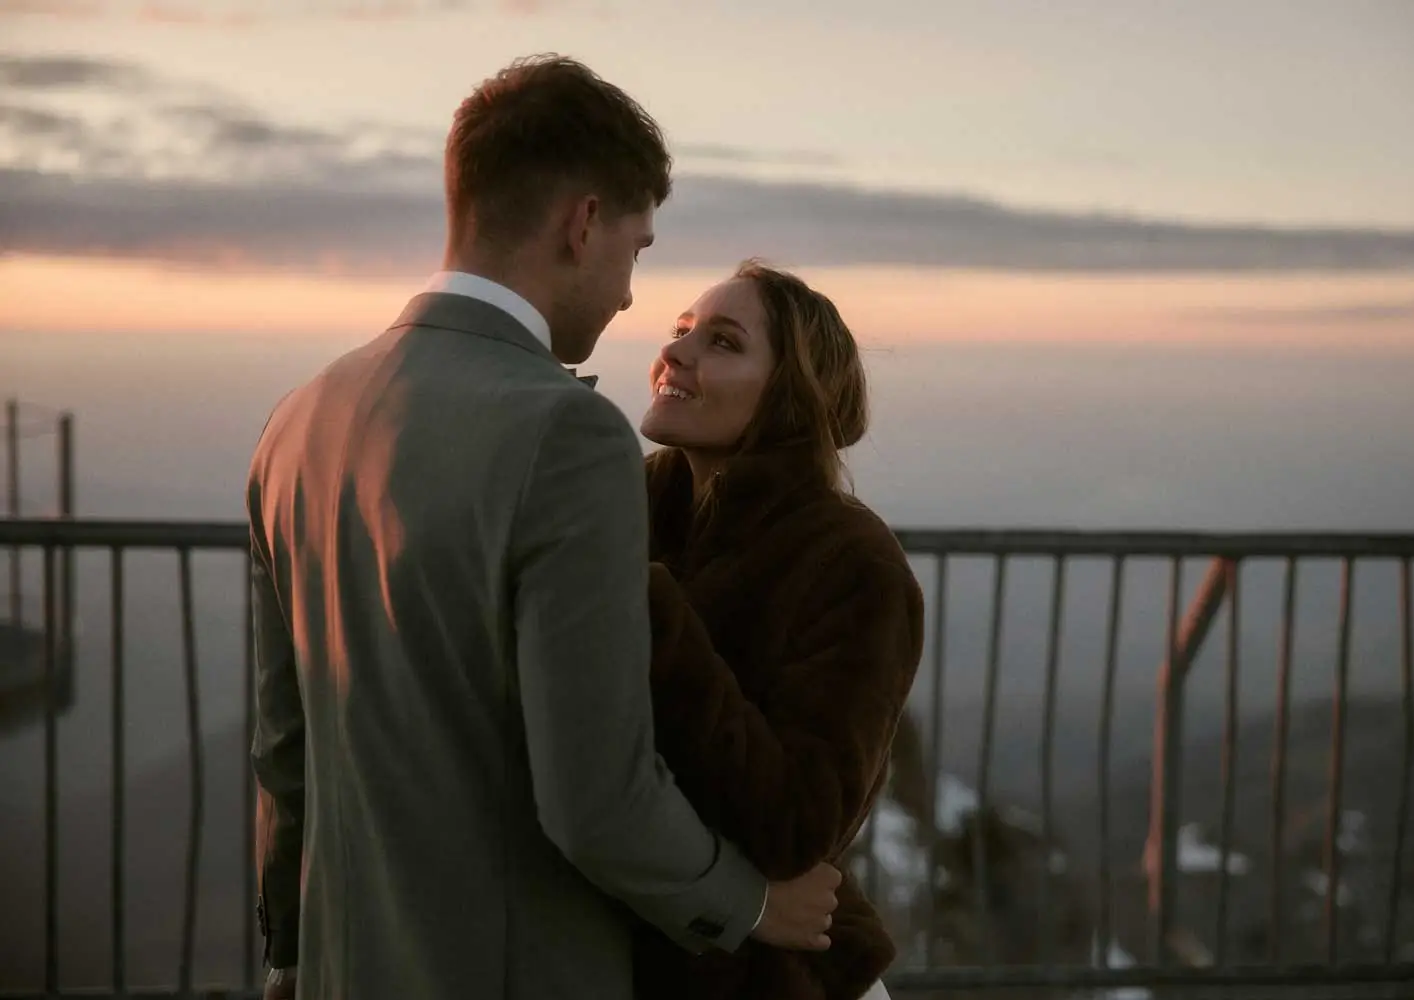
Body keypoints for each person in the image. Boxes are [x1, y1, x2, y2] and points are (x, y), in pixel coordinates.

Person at [246, 56, 842, 1000]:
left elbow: (286, 753)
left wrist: (287, 948)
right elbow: (596, 798)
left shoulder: (298, 419)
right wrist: (752, 905)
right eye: (638, 251)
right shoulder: (565, 435)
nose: (630, 298)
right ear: (584, 223)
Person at [632, 261, 926, 999]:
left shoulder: (852, 562)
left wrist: (649, 609)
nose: (678, 353)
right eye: (682, 331)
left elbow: (800, 822)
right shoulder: (626, 509)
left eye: (723, 343)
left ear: (788, 399)